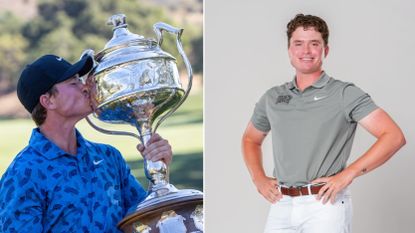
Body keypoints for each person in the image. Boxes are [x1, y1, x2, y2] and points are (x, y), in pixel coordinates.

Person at [242, 13, 406, 233]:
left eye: (314, 44)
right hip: (281, 203)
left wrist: (348, 174)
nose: (306, 51)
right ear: (289, 50)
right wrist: (258, 178)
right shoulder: (273, 97)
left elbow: (393, 136)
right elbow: (250, 139)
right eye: (298, 43)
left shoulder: (344, 93)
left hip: (324, 204)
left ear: (325, 50)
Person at [0, 54, 173, 232]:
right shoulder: (23, 173)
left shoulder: (108, 157)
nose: (85, 87)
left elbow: (145, 220)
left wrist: (160, 174)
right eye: (73, 83)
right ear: (48, 101)